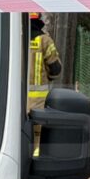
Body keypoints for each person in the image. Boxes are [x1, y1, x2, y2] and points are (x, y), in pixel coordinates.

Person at [27, 12, 62, 152]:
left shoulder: (14, 37)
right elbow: (56, 69)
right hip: (38, 102)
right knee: (36, 136)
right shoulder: (44, 40)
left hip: (14, 98)